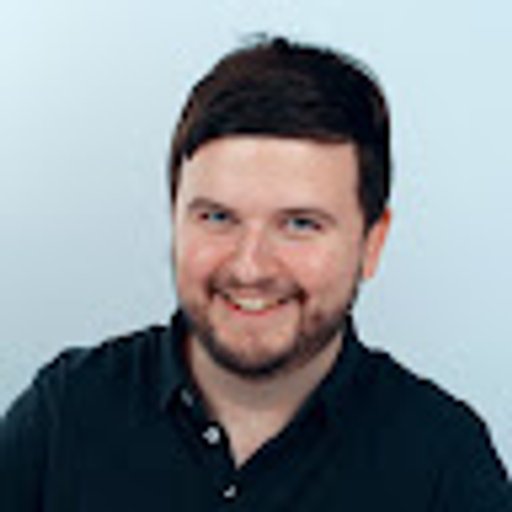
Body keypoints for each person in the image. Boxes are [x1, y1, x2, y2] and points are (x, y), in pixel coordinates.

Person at [1, 35, 510, 511]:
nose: (249, 268)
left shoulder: (445, 464)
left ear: (371, 243)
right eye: (217, 217)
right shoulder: (64, 415)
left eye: (300, 224)